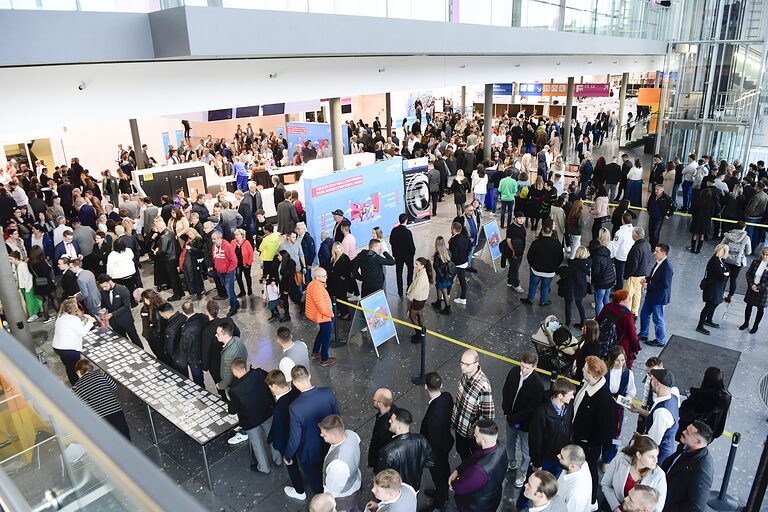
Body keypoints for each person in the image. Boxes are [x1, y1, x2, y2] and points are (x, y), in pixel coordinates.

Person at [284, 365, 340, 499]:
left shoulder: (295, 407)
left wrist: (288, 455)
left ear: (294, 383)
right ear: (309, 375)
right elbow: (337, 417)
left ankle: (323, 502)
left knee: (316, 481)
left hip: (310, 451)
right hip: (331, 443)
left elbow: (295, 438)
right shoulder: (327, 392)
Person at [572, 356, 615, 507]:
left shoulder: (604, 400)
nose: (582, 370)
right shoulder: (589, 385)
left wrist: (588, 442)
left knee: (590, 471)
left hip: (588, 445)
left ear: (590, 374)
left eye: (584, 369)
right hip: (579, 437)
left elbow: (606, 430)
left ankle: (591, 501)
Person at [227, 358, 280, 473]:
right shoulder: (259, 373)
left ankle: (264, 467)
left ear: (235, 370)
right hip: (266, 412)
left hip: (250, 421)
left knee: (257, 445)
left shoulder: (234, 390)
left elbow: (233, 409)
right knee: (272, 437)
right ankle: (278, 459)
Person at [502, 352, 545, 487]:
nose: (523, 369)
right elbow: (506, 391)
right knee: (510, 443)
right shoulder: (514, 372)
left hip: (525, 425)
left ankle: (523, 472)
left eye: (527, 367)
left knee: (526, 451)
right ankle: (511, 462)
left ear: (535, 367)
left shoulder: (538, 385)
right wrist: (506, 412)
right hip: (510, 418)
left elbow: (531, 409)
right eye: (522, 366)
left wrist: (512, 417)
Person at [449, 419, 508, 512]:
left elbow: (459, 488)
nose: (474, 436)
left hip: (475, 506)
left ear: (484, 441)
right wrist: (458, 470)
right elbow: (474, 456)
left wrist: (453, 483)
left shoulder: (479, 471)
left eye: (476, 436)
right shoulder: (501, 447)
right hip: (492, 498)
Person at [266, 370, 304, 500]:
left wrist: (278, 447)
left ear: (274, 386)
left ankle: (299, 491)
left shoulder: (278, 409)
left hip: (289, 440)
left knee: (291, 465)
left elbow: (279, 430)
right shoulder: (296, 391)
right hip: (303, 435)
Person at [601, 436, 667, 512]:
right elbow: (606, 484)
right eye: (651, 456)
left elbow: (657, 508)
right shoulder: (621, 459)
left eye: (656, 456)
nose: (656, 460)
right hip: (611, 506)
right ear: (638, 455)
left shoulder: (659, 476)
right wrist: (615, 507)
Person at [660, 421, 714, 512]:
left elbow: (696, 507)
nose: (683, 432)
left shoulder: (702, 469)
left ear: (698, 442)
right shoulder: (686, 447)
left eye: (688, 433)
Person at [452, 349, 495, 460]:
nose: (462, 367)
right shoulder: (466, 374)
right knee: (461, 451)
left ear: (476, 364)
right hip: (460, 427)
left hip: (471, 434)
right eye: (461, 362)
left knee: (471, 459)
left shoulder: (483, 387)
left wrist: (474, 432)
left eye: (466, 364)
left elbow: (487, 418)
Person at [376, 408, 433, 492]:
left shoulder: (388, 451)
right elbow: (430, 462)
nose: (389, 421)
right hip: (415, 486)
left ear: (398, 426)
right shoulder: (421, 439)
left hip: (397, 491)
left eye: (392, 420)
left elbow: (382, 477)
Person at [420, 372, 454, 512]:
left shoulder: (433, 416)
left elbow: (433, 440)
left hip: (436, 452)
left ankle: (441, 502)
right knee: (443, 473)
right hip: (445, 443)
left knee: (439, 477)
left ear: (426, 387)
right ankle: (441, 493)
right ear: (441, 385)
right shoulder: (447, 397)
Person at [73, 359, 131, 440]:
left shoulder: (76, 387)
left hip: (99, 417)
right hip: (115, 410)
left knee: (109, 439)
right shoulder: (101, 375)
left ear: (79, 372)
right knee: (124, 434)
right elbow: (114, 387)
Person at [318, 415, 362, 512]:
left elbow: (333, 489)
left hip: (344, 496)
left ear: (334, 436)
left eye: (324, 434)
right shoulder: (351, 434)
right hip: (355, 480)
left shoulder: (338, 465)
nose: (321, 435)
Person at [677, 367, 732, 441]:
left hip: (691, 433)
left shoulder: (697, 395)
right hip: (708, 434)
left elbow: (685, 414)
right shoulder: (726, 397)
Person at [638, 368, 679, 465]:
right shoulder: (673, 397)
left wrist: (639, 438)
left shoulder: (662, 413)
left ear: (657, 383)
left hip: (657, 458)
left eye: (652, 379)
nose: (650, 381)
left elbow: (652, 441)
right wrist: (639, 410)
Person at [51, 298, 96, 385]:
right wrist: (90, 322)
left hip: (58, 347)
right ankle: (78, 385)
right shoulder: (73, 319)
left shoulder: (61, 317)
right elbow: (82, 332)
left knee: (69, 366)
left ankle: (74, 383)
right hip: (69, 349)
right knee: (75, 367)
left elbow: (74, 328)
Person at [639, 244, 674, 347]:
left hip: (659, 297)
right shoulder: (659, 262)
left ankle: (660, 340)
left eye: (657, 251)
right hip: (652, 295)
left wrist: (648, 285)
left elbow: (665, 284)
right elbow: (654, 276)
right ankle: (644, 333)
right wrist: (647, 279)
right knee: (644, 314)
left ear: (663, 253)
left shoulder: (667, 266)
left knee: (658, 319)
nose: (654, 253)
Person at [595, 289, 640, 368]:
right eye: (628, 299)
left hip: (605, 342)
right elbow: (632, 334)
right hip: (621, 345)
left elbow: (598, 320)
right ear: (621, 301)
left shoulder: (608, 306)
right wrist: (636, 348)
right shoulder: (627, 315)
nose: (630, 300)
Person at [521, 225, 564, 306]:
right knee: (546, 286)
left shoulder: (536, 243)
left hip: (536, 270)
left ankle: (530, 299)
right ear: (551, 232)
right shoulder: (557, 244)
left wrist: (532, 265)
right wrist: (555, 267)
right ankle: (543, 301)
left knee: (533, 285)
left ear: (542, 231)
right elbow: (560, 258)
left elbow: (529, 256)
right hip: (550, 271)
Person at [97, 275, 142, 349]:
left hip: (125, 320)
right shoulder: (103, 292)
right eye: (102, 287)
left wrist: (112, 314)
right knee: (122, 340)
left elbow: (126, 306)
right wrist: (103, 310)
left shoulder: (123, 290)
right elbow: (104, 303)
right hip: (114, 322)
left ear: (110, 282)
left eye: (105, 286)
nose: (104, 289)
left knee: (134, 338)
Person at [304, 266, 336, 367]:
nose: (326, 277)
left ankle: (315, 352)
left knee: (322, 332)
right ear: (317, 277)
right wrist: (331, 314)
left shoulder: (312, 284)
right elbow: (322, 308)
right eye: (324, 276)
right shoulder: (318, 289)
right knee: (326, 335)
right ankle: (324, 359)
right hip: (323, 316)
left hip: (319, 315)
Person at [695, 244, 730, 335]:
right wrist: (725, 275)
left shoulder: (721, 260)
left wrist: (725, 274)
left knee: (716, 303)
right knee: (709, 306)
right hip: (712, 288)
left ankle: (709, 319)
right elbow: (722, 276)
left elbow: (728, 271)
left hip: (717, 287)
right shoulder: (715, 261)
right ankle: (700, 325)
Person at [557, 246, 591, 329]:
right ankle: (583, 322)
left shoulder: (574, 265)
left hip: (571, 289)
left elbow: (564, 274)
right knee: (579, 304)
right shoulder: (587, 264)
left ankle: (567, 324)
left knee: (568, 305)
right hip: (581, 287)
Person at [153, 216, 184, 300]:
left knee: (173, 278)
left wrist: (156, 251)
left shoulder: (163, 237)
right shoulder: (170, 232)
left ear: (159, 227)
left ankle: (177, 295)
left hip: (169, 259)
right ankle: (180, 292)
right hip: (174, 257)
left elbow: (163, 250)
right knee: (176, 277)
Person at [215, 321, 248, 399]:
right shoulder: (237, 339)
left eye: (218, 334)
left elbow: (228, 376)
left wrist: (220, 385)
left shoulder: (228, 354)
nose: (216, 335)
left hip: (233, 384)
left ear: (226, 335)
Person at [721, 221, 752, 303]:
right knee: (733, 279)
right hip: (738, 262)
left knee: (724, 278)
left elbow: (721, 246)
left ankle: (720, 294)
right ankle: (730, 297)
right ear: (743, 228)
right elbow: (749, 252)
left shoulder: (728, 235)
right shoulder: (746, 238)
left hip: (726, 259)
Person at [555, 445, 592, 512]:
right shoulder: (581, 464)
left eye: (562, 457)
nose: (558, 456)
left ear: (572, 466)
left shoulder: (576, 495)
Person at [740, 247, 768, 334]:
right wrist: (752, 284)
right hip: (752, 287)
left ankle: (755, 326)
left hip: (763, 290)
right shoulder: (756, 262)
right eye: (763, 254)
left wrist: (758, 287)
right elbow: (748, 273)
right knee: (749, 306)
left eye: (767, 255)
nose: (765, 256)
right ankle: (746, 323)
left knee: (760, 309)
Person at [211, 230, 239, 316]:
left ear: (220, 238)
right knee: (229, 290)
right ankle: (235, 302)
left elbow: (234, 260)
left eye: (214, 239)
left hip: (228, 273)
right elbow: (214, 257)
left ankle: (234, 308)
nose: (213, 241)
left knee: (229, 291)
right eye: (212, 239)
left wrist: (229, 270)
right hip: (220, 272)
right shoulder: (214, 246)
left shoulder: (227, 246)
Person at [389, 214, 416, 299]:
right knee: (410, 270)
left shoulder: (394, 230)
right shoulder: (407, 232)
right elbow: (411, 245)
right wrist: (412, 253)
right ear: (406, 220)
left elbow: (391, 241)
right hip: (408, 255)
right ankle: (409, 287)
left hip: (398, 255)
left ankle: (400, 290)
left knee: (399, 273)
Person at [406, 257, 432, 343]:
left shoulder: (422, 276)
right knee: (419, 314)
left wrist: (410, 296)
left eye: (417, 264)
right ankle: (421, 332)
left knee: (412, 316)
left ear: (423, 266)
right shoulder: (421, 272)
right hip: (422, 299)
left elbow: (417, 289)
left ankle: (419, 335)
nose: (415, 266)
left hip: (418, 299)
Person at [503, 211, 527, 292]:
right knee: (515, 268)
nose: (521, 220)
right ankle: (516, 284)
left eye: (523, 218)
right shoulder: (512, 228)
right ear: (515, 219)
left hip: (520, 250)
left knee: (513, 267)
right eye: (519, 218)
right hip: (513, 252)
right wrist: (513, 251)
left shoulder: (521, 226)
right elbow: (508, 240)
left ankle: (510, 281)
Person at [449, 221, 470, 305]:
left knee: (450, 279)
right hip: (464, 262)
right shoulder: (464, 238)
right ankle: (463, 298)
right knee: (462, 280)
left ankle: (446, 295)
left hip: (456, 263)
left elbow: (453, 253)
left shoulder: (453, 240)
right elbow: (468, 249)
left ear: (453, 229)